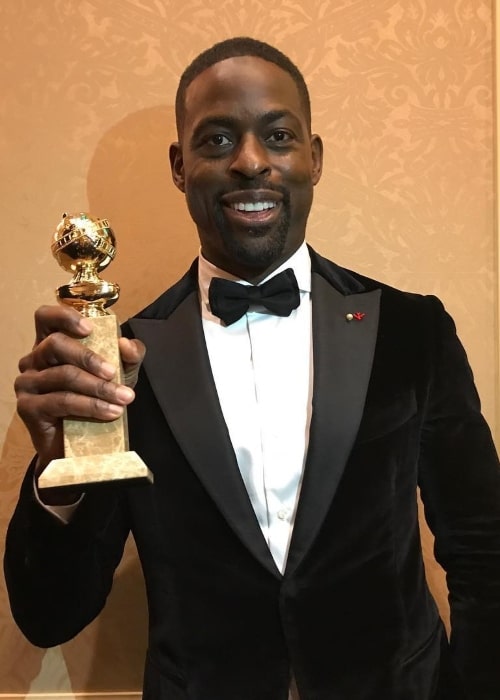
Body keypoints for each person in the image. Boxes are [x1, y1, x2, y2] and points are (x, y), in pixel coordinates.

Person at [4, 36, 500, 700]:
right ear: (180, 167)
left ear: (314, 158)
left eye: (278, 136)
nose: (250, 162)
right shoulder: (114, 365)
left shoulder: (414, 331)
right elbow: (48, 615)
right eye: (216, 141)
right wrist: (57, 473)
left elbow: (483, 547)